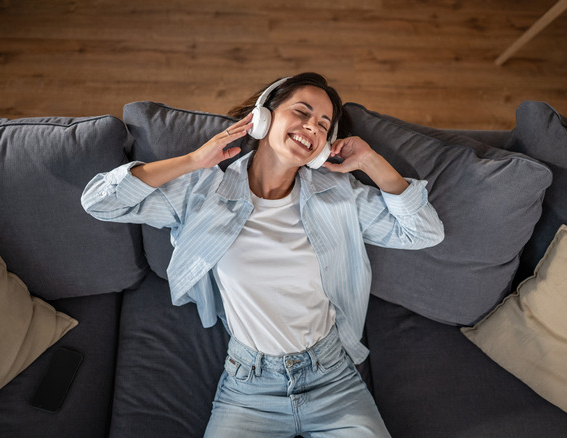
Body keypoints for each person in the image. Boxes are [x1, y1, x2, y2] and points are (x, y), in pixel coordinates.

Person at [81, 72, 444, 437]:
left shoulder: (338, 194)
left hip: (333, 378)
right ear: (263, 116)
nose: (311, 127)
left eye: (323, 124)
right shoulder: (204, 192)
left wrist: (370, 161)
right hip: (249, 387)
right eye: (301, 112)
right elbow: (100, 202)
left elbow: (424, 231)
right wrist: (193, 160)